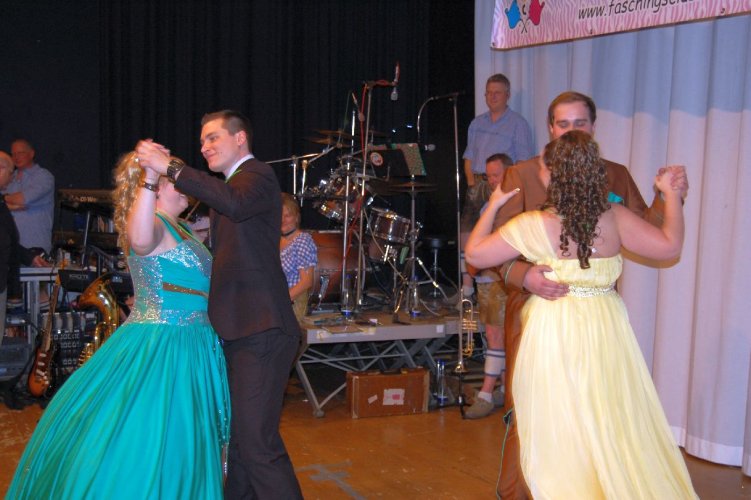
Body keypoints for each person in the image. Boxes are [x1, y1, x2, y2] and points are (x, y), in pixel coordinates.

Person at [467, 130, 697, 498]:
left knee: (560, 426)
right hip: (606, 332)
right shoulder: (615, 217)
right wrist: (671, 195)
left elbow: (475, 255)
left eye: (544, 169)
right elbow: (670, 246)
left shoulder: (534, 224)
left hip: (553, 333)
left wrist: (493, 205)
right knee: (607, 421)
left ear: (554, 176)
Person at [7, 152, 230, 498]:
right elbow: (140, 240)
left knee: (183, 438)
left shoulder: (182, 227)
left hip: (192, 342)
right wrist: (150, 177)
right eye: (174, 179)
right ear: (157, 188)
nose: (184, 183)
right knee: (153, 435)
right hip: (163, 345)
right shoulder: (153, 222)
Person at [135, 110, 303, 499]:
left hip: (261, 330)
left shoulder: (257, 176)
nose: (205, 147)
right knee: (242, 445)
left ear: (240, 138)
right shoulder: (228, 194)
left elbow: (234, 203)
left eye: (213, 138)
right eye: (202, 141)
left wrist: (170, 166)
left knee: (257, 447)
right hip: (243, 331)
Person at [460, 74, 533, 300]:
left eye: (497, 93)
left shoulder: (518, 123)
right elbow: (468, 156)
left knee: (495, 235)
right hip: (477, 183)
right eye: (489, 93)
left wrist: (506, 188)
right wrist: (472, 183)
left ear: (507, 95)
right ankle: (466, 290)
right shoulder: (476, 123)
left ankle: (494, 289)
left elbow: (523, 161)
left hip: (500, 186)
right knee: (467, 234)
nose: (492, 97)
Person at [464, 153, 512, 419]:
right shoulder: (490, 205)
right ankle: (504, 389)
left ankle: (486, 394)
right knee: (497, 336)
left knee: (495, 336)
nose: (492, 180)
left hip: (498, 279)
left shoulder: (510, 206)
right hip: (486, 278)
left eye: (496, 175)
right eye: (488, 176)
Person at [1, 139, 55, 252]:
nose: (16, 157)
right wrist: (8, 204)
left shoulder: (44, 177)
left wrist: (3, 199)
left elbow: (22, 200)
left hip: (34, 247)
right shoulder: (8, 177)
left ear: (32, 154)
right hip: (9, 248)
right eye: (13, 154)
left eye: (20, 153)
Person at [280, 192, 317, 322]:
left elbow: (306, 282)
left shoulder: (303, 241)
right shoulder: (275, 240)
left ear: (296, 217)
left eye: (287, 215)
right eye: (279, 215)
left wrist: (281, 301)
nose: (283, 220)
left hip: (291, 306)